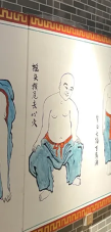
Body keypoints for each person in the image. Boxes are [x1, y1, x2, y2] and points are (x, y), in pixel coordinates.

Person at [29, 73, 83, 201]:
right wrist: (37, 142)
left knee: (77, 148)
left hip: (66, 146)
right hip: (49, 146)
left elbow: (74, 129)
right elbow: (44, 126)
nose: (68, 91)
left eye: (71, 88)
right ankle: (46, 186)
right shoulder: (49, 102)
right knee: (37, 156)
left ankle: (73, 176)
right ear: (59, 86)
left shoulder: (72, 106)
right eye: (65, 86)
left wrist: (76, 138)